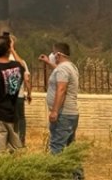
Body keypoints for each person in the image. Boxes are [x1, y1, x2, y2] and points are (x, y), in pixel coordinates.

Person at [40, 42, 81, 177]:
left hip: (63, 115)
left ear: (58, 54)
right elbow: (59, 71)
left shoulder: (62, 69)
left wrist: (55, 111)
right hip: (71, 114)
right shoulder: (70, 67)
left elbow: (61, 89)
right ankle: (77, 177)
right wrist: (48, 63)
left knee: (57, 147)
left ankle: (56, 176)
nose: (52, 55)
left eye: (53, 53)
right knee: (70, 149)